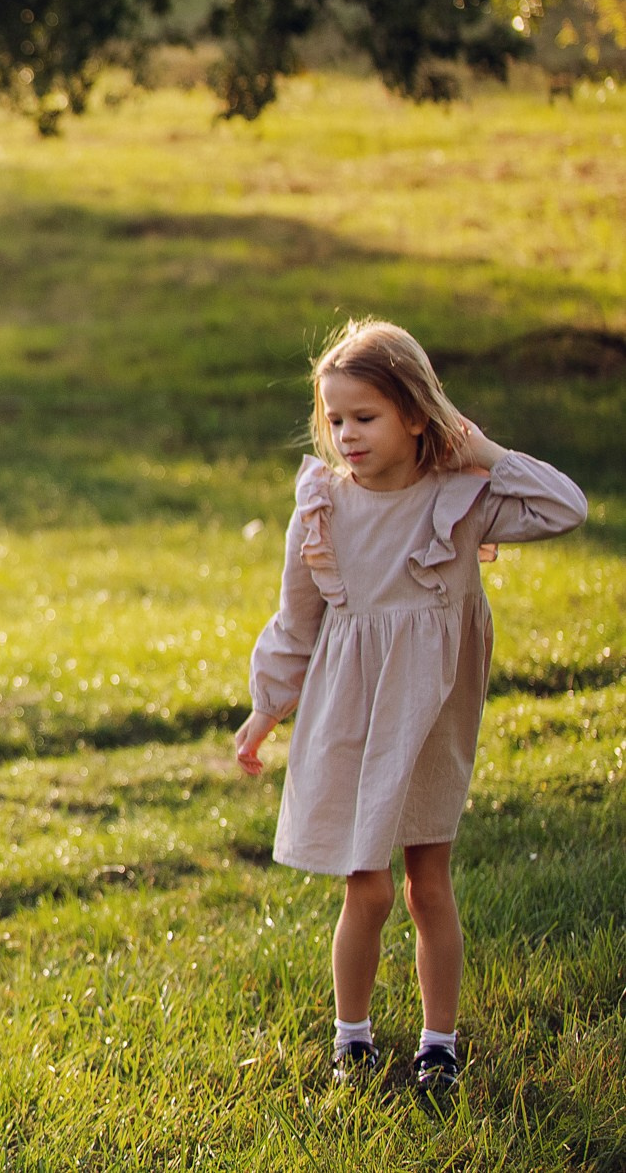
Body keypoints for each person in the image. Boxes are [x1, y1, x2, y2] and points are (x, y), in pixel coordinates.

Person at [235, 319, 583, 1099]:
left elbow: (566, 507)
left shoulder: (459, 501)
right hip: (350, 717)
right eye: (335, 418)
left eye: (366, 416)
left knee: (430, 882)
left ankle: (438, 1042)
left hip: (430, 720)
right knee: (369, 885)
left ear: (417, 414)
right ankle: (350, 1038)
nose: (346, 434)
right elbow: (296, 622)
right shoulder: (322, 507)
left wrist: (484, 452)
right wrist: (266, 709)